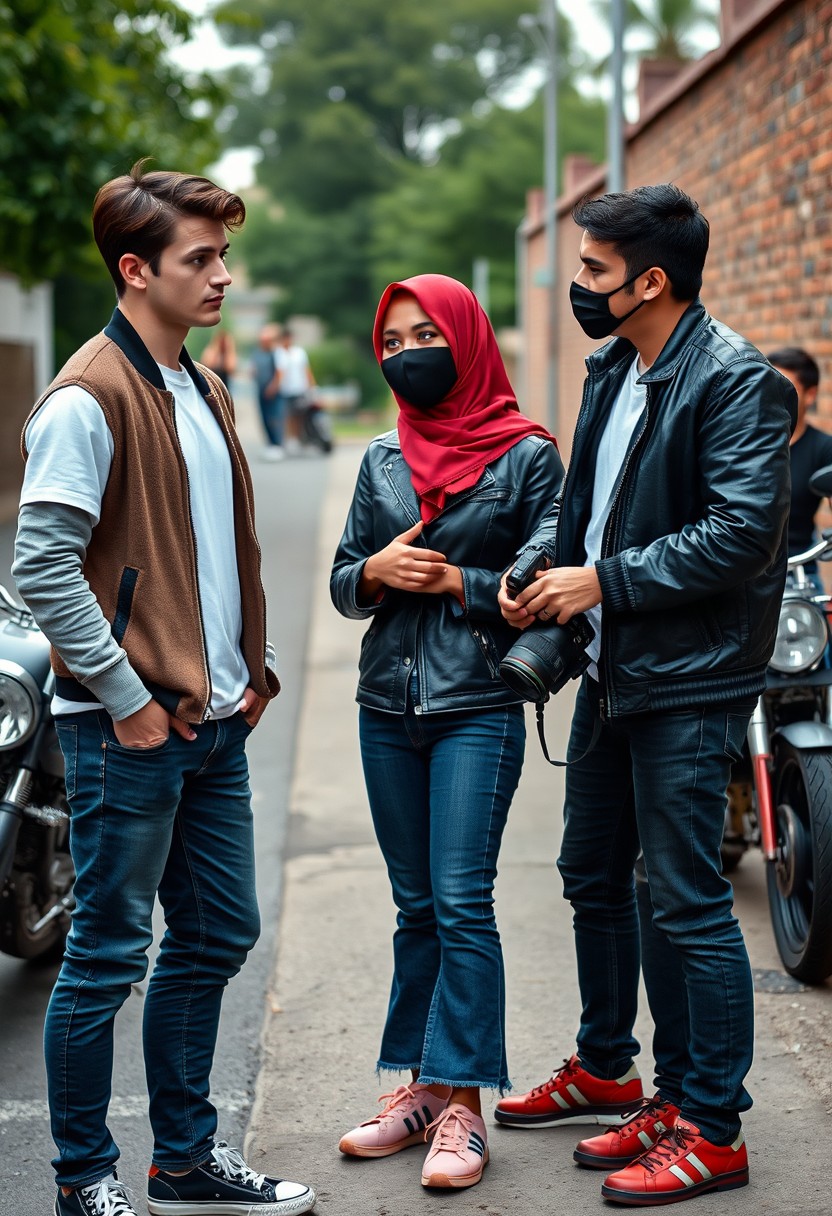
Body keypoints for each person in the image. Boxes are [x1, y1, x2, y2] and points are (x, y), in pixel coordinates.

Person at [12, 161, 315, 1216]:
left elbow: (212, 552)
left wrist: (253, 667)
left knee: (219, 930)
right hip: (125, 729)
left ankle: (184, 1159)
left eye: (224, 253)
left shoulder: (203, 383)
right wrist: (125, 693)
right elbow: (41, 565)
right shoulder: (86, 397)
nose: (223, 273)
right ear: (136, 269)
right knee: (102, 956)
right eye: (202, 257)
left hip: (214, 720)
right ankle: (82, 1178)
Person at [495, 185, 794, 1205]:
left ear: (649, 280)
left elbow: (741, 533)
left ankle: (712, 1124)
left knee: (687, 902)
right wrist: (541, 565)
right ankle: (628, 1077)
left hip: (691, 677)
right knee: (592, 870)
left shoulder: (735, 380)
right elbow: (586, 508)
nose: (575, 285)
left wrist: (603, 581)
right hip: (612, 666)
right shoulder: (613, 366)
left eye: (590, 271)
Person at [330, 273, 563, 1191]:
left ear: (466, 336)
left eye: (425, 333)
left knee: (462, 900)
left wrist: (455, 584)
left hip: (476, 707)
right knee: (414, 904)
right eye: (391, 341)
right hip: (385, 707)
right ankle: (421, 1087)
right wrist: (379, 571)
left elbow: (545, 586)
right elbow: (348, 583)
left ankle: (465, 1109)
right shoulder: (382, 459)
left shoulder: (529, 456)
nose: (406, 352)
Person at [768, 347, 832, 565]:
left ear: (810, 395)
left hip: (799, 566)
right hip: (743, 569)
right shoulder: (743, 440)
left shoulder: (824, 447)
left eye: (785, 388)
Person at [274, 327, 315, 453]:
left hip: (299, 388)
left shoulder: (299, 352)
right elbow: (279, 372)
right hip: (285, 390)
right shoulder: (278, 353)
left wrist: (312, 386)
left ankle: (298, 438)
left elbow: (306, 370)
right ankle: (289, 439)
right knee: (287, 416)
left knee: (299, 415)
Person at [252, 322, 286, 460]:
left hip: (272, 393)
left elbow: (280, 373)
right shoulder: (258, 353)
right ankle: (270, 444)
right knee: (264, 418)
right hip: (261, 391)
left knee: (274, 418)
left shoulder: (277, 353)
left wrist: (273, 387)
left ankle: (277, 445)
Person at [201, 327, 237, 392]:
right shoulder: (211, 350)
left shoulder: (228, 354)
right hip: (211, 387)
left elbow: (231, 369)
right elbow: (207, 364)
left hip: (224, 388)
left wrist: (228, 349)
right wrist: (216, 348)